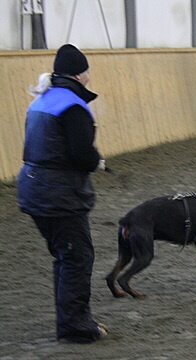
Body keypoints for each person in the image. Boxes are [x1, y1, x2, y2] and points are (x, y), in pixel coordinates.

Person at [17, 44, 108, 343]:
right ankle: (76, 327)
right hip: (58, 194)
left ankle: (69, 321)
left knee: (64, 256)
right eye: (87, 72)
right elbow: (82, 154)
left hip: (34, 187)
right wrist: (97, 162)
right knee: (77, 258)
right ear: (80, 74)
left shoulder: (42, 99)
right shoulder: (72, 106)